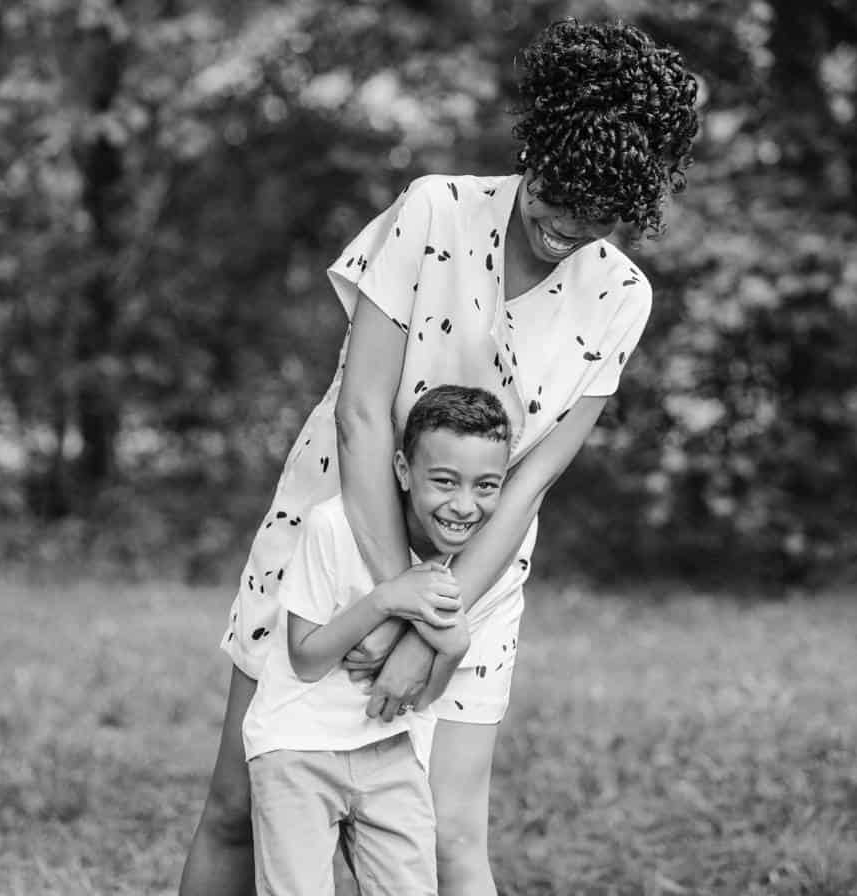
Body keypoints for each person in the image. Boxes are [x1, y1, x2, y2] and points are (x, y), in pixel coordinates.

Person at [181, 19, 699, 896]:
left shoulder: (622, 297)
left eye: (600, 216)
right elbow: (360, 418)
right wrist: (392, 604)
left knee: (450, 833)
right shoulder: (434, 211)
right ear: (535, 147)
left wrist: (437, 626)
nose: (567, 227)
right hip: (332, 542)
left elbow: (531, 479)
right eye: (556, 194)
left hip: (476, 585)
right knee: (242, 802)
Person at [245, 385, 513, 894]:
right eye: (444, 481)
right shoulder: (334, 526)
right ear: (403, 470)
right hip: (296, 749)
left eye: (486, 486)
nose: (464, 505)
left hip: (390, 752)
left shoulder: (469, 560)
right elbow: (304, 658)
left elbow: (419, 698)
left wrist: (453, 647)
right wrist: (386, 600)